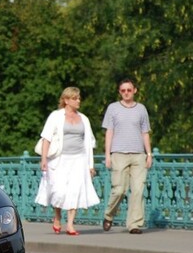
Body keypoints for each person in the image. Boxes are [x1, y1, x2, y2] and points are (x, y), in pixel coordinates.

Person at [35, 87, 100, 235]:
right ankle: (57, 217)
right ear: (66, 100)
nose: (78, 101)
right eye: (75, 98)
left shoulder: (84, 119)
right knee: (58, 191)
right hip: (59, 159)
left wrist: (90, 165)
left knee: (74, 191)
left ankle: (70, 225)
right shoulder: (56, 116)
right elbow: (47, 138)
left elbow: (89, 144)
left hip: (79, 160)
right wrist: (43, 159)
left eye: (79, 98)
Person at [102, 79, 152, 234]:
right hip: (119, 153)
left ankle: (134, 224)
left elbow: (145, 133)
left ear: (134, 91)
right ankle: (109, 215)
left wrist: (149, 154)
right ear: (119, 92)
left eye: (129, 90)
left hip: (138, 154)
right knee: (119, 190)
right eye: (123, 90)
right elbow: (109, 132)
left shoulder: (141, 109)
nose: (126, 93)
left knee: (138, 190)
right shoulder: (113, 108)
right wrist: (107, 155)